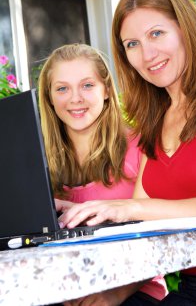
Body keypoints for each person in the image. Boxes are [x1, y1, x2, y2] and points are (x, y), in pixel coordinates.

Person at [56, 0, 196, 306]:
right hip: (189, 288)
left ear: (185, 29)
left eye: (156, 34)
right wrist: (83, 213)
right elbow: (140, 219)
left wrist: (131, 207)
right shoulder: (155, 120)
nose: (147, 54)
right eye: (132, 44)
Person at [38, 43, 167, 306]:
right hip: (61, 291)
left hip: (132, 288)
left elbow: (161, 236)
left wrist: (115, 293)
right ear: (50, 97)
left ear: (106, 90)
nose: (75, 98)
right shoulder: (38, 158)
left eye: (87, 85)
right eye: (62, 88)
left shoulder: (143, 147)